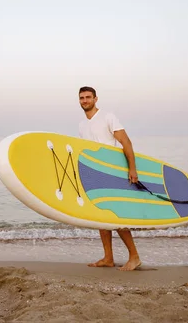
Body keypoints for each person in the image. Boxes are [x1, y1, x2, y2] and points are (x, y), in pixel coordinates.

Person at [77, 86, 142, 271]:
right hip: (94, 173)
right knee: (100, 216)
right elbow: (86, 151)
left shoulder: (108, 117)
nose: (85, 101)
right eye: (81, 98)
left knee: (114, 215)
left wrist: (132, 169)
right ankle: (108, 258)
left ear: (96, 99)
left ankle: (134, 257)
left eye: (88, 97)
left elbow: (126, 142)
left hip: (111, 172)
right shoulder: (82, 125)